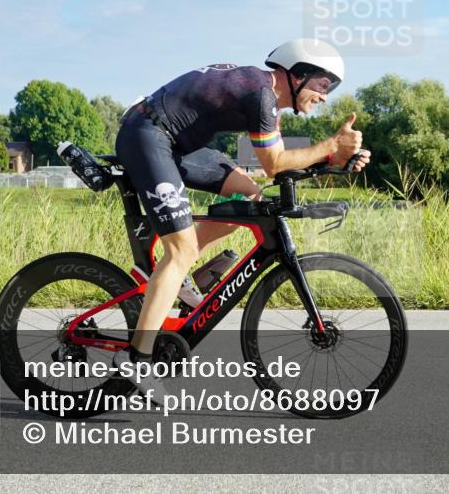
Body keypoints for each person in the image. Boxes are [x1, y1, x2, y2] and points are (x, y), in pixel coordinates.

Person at [111, 38, 369, 396]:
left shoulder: (265, 95)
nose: (325, 96)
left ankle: (175, 275)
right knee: (180, 249)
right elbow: (275, 163)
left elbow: (276, 168)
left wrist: (332, 161)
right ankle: (137, 359)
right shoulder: (261, 95)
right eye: (323, 85)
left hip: (176, 142)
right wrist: (328, 147)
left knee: (249, 197)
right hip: (146, 134)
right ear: (298, 75)